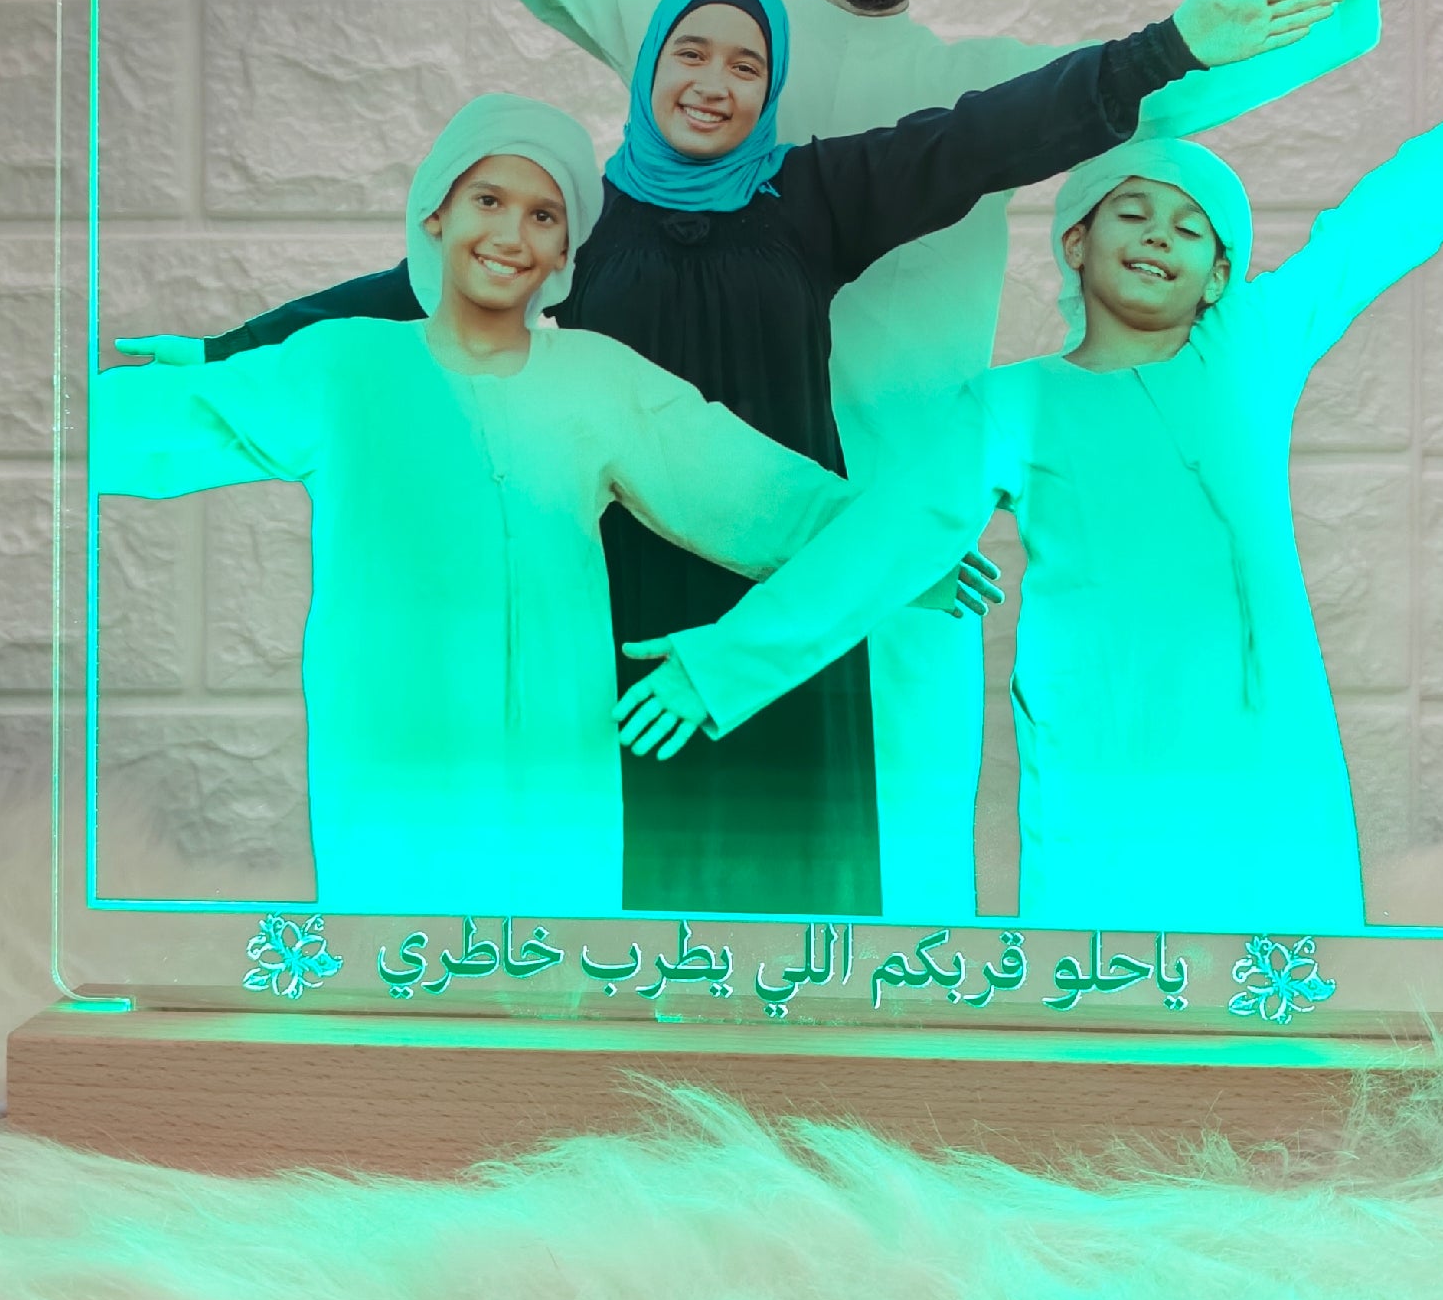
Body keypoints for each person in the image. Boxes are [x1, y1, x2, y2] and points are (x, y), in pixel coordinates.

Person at [132, 0, 1443, 923]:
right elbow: (542, 12)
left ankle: (897, 1057)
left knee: (904, 832)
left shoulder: (976, 93)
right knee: (658, 803)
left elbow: (1153, 75)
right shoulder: (707, 41)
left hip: (904, 508)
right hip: (665, 500)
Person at [151, 0, 1336, 920]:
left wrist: (1165, 49)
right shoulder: (578, 217)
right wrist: (223, 350)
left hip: (788, 574)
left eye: (747, 63)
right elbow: (407, 290)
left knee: (795, 861)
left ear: (773, 90)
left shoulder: (810, 197)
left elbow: (987, 134)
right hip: (631, 588)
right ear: (648, 68)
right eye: (690, 52)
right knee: (631, 851)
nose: (713, 80)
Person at [616, 83, 1443, 936]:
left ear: (1219, 276)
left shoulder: (1247, 351)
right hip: (1104, 735)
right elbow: (881, 548)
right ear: (1077, 240)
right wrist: (724, 663)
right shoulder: (1013, 403)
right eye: (1133, 212)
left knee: (1286, 986)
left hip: (1262, 743)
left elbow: (1382, 221)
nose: (1159, 234)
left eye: (1191, 228)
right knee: (1112, 983)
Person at [90, 94, 910, 920]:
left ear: (563, 250)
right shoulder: (344, 365)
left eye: (543, 216)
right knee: (391, 970)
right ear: (436, 214)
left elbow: (766, 499)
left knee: (558, 977)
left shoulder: (597, 379)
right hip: (394, 772)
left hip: (559, 780)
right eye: (488, 201)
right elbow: (135, 427)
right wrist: (46, 396)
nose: (512, 235)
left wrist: (915, 556)